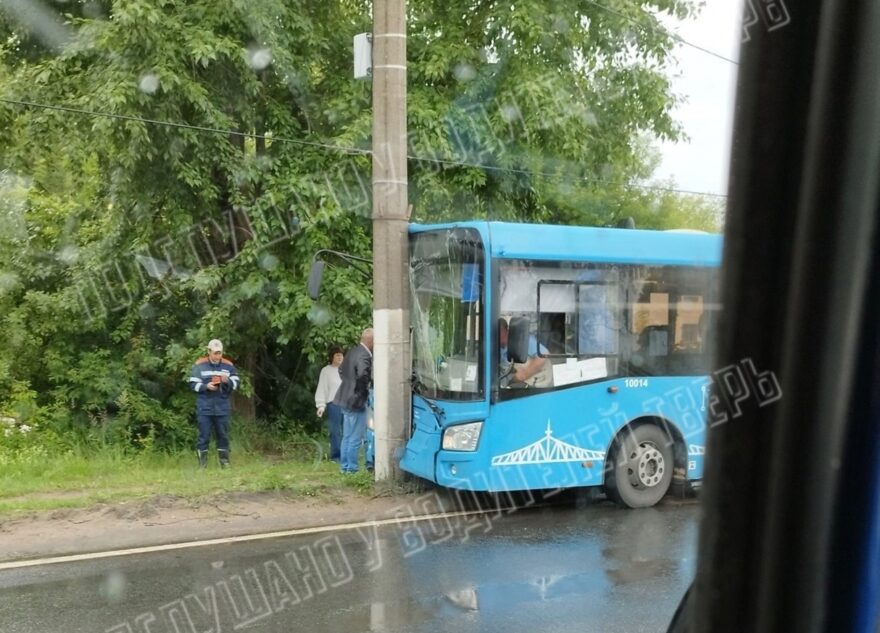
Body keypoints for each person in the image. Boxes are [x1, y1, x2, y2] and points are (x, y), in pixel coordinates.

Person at [188, 339, 239, 469]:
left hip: (222, 408)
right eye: (215, 353)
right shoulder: (200, 364)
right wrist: (206, 386)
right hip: (204, 408)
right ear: (209, 351)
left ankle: (225, 464)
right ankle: (202, 466)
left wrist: (227, 381)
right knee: (203, 436)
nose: (218, 356)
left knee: (223, 436)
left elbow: (236, 383)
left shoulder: (228, 365)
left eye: (220, 353)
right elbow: (193, 384)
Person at [333, 328, 373, 474]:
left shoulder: (352, 351)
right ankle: (352, 469)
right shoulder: (365, 356)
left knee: (347, 436)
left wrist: (349, 384)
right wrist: (361, 390)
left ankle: (344, 467)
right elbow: (363, 375)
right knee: (356, 437)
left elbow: (341, 370)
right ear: (371, 341)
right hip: (356, 401)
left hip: (344, 398)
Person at [498, 318, 553, 388]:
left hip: (537, 383)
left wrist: (526, 373)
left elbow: (545, 354)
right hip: (512, 382)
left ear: (507, 330)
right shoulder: (496, 348)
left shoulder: (522, 340)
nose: (497, 334)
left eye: (500, 331)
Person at [314, 345, 344, 462]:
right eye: (337, 355)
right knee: (335, 431)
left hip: (347, 404)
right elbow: (322, 389)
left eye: (341, 355)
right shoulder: (326, 371)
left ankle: (346, 455)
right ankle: (336, 456)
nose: (339, 357)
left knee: (347, 431)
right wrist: (321, 405)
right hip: (334, 404)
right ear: (332, 357)